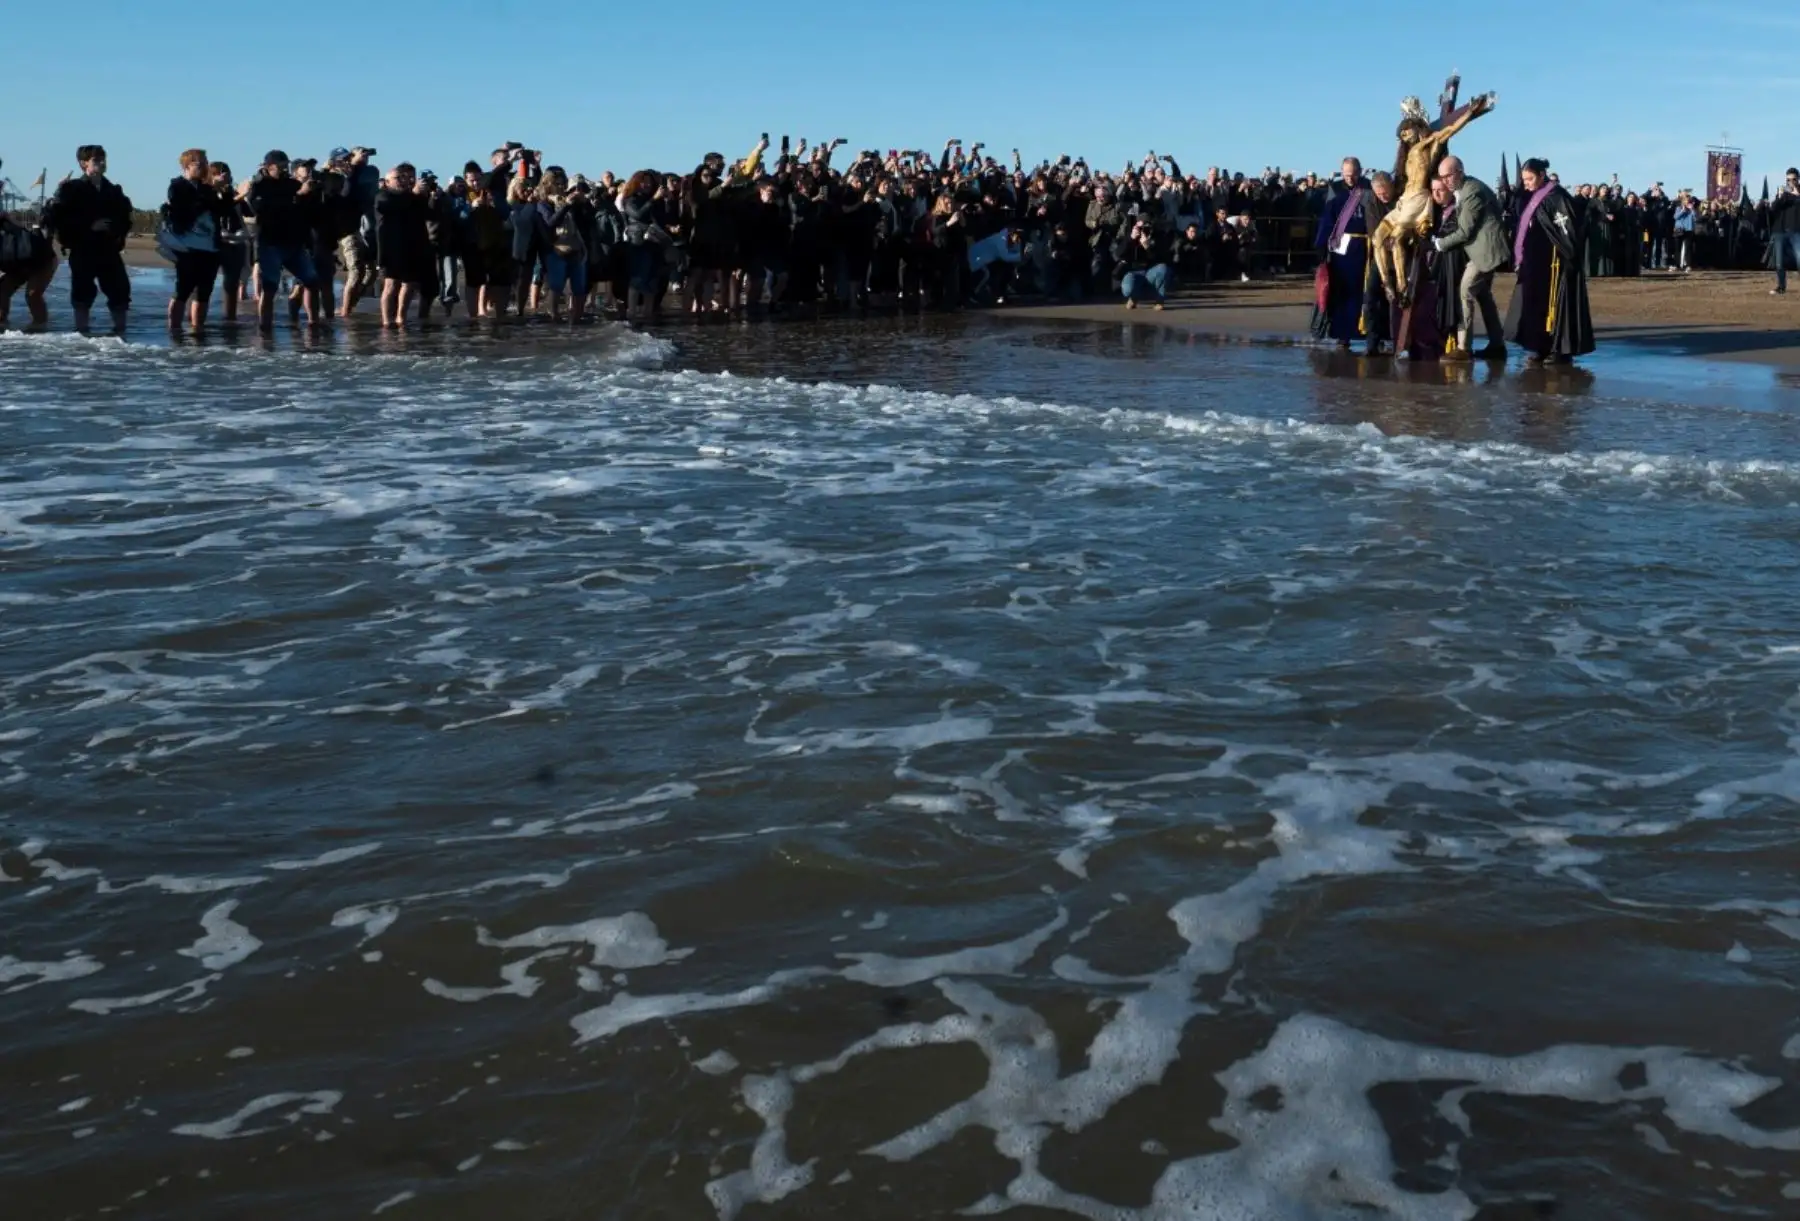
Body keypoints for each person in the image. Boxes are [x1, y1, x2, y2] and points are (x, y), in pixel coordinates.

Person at [1505, 158, 1595, 365]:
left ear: (1542, 175)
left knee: (1555, 306)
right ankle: (1539, 345)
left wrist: (1566, 252)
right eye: (1524, 179)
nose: (1526, 183)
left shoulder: (1556, 197)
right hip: (1536, 263)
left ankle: (1558, 348)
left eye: (1529, 179)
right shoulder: (1534, 196)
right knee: (1534, 304)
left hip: (1554, 263)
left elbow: (1567, 230)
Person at [42, 144, 133, 334]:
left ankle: (120, 331)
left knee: (119, 289)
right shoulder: (73, 188)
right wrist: (89, 225)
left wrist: (115, 230)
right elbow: (56, 217)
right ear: (84, 163)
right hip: (82, 247)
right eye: (96, 160)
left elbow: (125, 217)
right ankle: (81, 333)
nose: (101, 163)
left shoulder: (113, 190)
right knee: (82, 292)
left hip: (109, 248)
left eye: (103, 159)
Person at [1432, 156, 1508, 360]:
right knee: (1484, 296)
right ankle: (1497, 344)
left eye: (1448, 175)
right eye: (1442, 177)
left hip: (1485, 253)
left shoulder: (1471, 192)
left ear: (1460, 171)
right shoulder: (1466, 189)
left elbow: (1465, 231)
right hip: (1483, 250)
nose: (1446, 180)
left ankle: (1463, 347)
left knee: (1465, 292)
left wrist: (1440, 243)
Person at [242, 150, 322, 331]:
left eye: (286, 165)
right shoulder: (258, 186)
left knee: (312, 281)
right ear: (269, 167)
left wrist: (308, 194)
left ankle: (314, 323)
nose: (285, 169)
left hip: (294, 242)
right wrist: (299, 196)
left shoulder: (292, 184)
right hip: (270, 242)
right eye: (281, 166)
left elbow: (306, 211)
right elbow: (262, 210)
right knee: (270, 287)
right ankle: (265, 328)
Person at [1313, 158, 1382, 350]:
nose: (1350, 178)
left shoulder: (1368, 188)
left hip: (1366, 245)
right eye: (1346, 174)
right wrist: (1321, 244)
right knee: (1341, 290)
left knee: (1368, 290)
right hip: (1341, 246)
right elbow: (1327, 219)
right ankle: (1342, 334)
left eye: (1353, 174)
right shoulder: (1334, 189)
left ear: (1360, 171)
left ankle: (1370, 332)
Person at [163, 148, 225, 334]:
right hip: (187, 247)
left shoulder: (207, 189)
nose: (204, 167)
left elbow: (221, 210)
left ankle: (198, 330)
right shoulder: (177, 186)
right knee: (182, 289)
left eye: (206, 163)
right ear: (187, 166)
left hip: (210, 247)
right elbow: (184, 211)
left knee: (204, 292)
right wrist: (209, 194)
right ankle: (174, 330)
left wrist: (227, 193)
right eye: (200, 164)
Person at [374, 163, 430, 327]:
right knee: (391, 284)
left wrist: (423, 195)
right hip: (390, 248)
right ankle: (386, 320)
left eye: (404, 178)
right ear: (387, 181)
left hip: (410, 246)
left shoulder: (410, 197)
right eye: (398, 178)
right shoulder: (383, 195)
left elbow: (425, 213)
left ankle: (401, 317)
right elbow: (394, 206)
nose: (402, 181)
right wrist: (413, 194)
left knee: (410, 283)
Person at [0, 213, 58, 332]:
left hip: (42, 262)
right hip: (15, 265)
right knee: (2, 291)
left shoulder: (14, 228)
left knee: (33, 294)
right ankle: (2, 323)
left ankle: (40, 326)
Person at [1768, 168, 1800, 295]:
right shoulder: (1783, 194)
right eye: (1788, 180)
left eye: (1793, 179)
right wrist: (1781, 196)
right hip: (1780, 232)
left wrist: (1795, 194)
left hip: (1796, 232)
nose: (1790, 182)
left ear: (1798, 179)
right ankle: (1781, 287)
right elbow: (1773, 208)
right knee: (1779, 262)